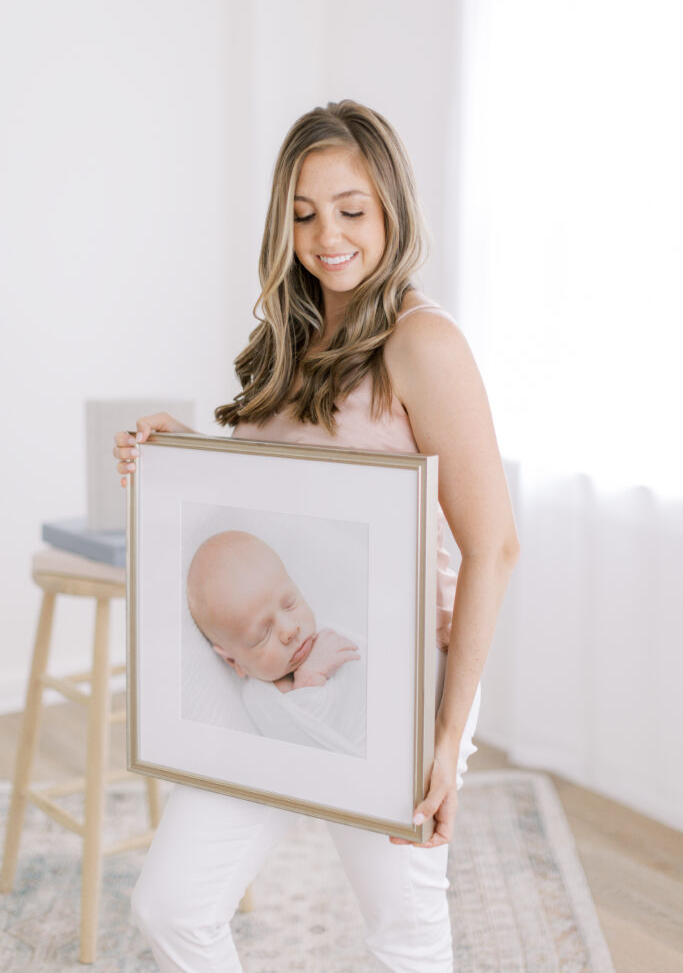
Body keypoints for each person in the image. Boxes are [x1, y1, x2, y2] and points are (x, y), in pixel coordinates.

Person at [113, 99, 520, 973]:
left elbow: (494, 548)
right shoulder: (291, 334)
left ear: (390, 210)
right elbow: (274, 497)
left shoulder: (421, 342)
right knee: (173, 905)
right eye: (302, 214)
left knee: (404, 935)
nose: (325, 235)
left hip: (400, 680)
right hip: (278, 668)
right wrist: (170, 455)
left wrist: (446, 742)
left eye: (350, 210)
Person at [186, 529, 361, 693]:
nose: (290, 629)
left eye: (290, 603)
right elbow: (313, 723)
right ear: (233, 661)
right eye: (263, 634)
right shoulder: (265, 695)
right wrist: (310, 678)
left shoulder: (321, 633)